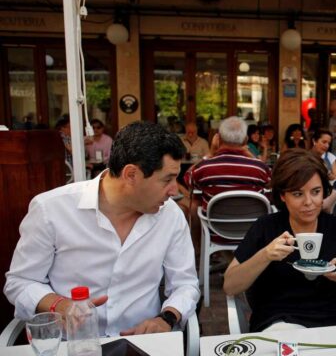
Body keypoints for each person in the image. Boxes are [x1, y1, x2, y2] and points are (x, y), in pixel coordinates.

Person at [4, 122, 200, 336]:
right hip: (73, 344)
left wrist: (166, 318)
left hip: (142, 343)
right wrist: (59, 304)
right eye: (167, 179)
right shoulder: (51, 209)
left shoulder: (170, 215)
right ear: (131, 174)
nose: (174, 190)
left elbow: (185, 284)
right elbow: (20, 282)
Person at [223, 149, 336, 331]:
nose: (309, 202)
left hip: (333, 326)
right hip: (279, 324)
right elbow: (230, 285)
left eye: (315, 192)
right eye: (298, 194)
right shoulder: (267, 228)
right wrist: (265, 255)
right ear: (283, 196)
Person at [185, 116, 271, 213]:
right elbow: (272, 183)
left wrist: (210, 153)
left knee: (195, 202)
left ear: (219, 139)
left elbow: (188, 178)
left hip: (214, 224)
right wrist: (249, 154)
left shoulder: (205, 167)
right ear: (245, 139)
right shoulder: (259, 168)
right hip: (253, 224)